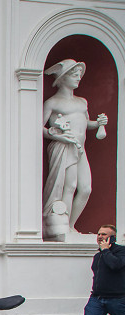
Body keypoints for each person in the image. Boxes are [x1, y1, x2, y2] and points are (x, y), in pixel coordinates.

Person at [42, 59, 108, 242]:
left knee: (85, 188)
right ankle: (63, 228)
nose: (79, 78)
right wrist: (58, 136)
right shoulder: (53, 102)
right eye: (74, 74)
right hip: (64, 146)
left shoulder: (82, 102)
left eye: (79, 74)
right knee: (69, 186)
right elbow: (40, 127)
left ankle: (71, 225)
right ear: (62, 78)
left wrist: (98, 123)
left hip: (80, 148)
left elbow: (85, 123)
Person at [61, 224, 125, 315]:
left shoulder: (121, 252)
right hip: (97, 299)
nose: (100, 237)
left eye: (104, 234)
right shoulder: (98, 256)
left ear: (113, 238)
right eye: (99, 234)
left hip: (117, 299)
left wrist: (106, 251)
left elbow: (115, 265)